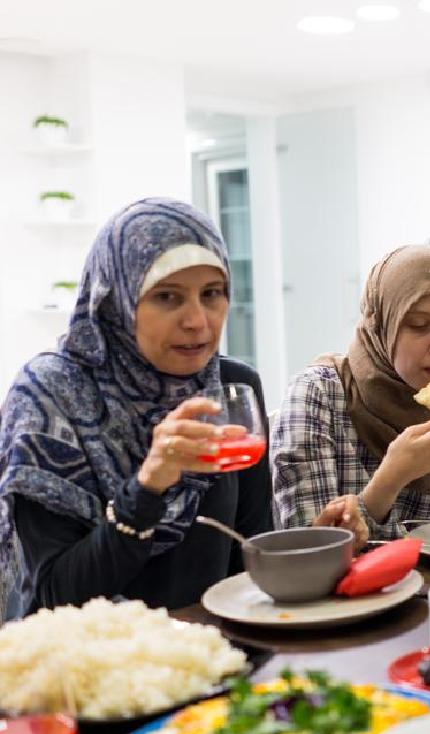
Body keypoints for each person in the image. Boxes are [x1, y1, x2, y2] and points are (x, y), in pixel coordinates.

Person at [0, 198, 272, 620]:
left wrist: (322, 546)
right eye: (167, 297)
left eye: (212, 294)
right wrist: (148, 487)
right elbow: (54, 598)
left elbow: (251, 554)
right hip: (91, 666)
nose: (198, 321)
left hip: (213, 655)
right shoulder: (47, 397)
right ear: (116, 302)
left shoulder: (232, 388)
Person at [271, 246, 430, 548]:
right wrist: (391, 478)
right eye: (419, 325)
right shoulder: (318, 394)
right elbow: (308, 548)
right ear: (380, 325)